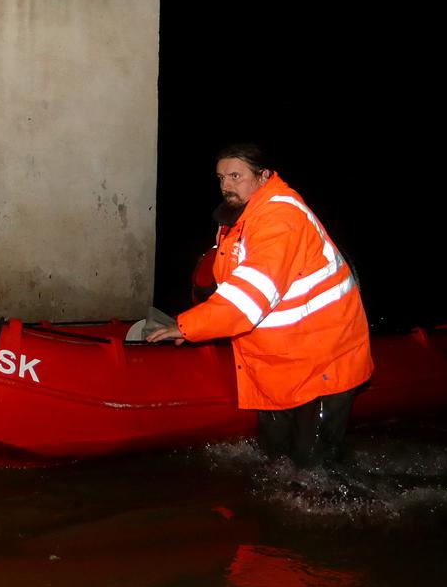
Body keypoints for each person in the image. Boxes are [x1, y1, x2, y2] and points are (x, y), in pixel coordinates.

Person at [147, 144, 372, 467]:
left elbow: (251, 295)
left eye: (236, 176)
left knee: (313, 473)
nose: (226, 185)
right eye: (221, 177)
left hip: (323, 361)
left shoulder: (281, 218)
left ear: (263, 176)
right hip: (279, 363)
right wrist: (200, 320)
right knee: (276, 464)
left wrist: (188, 326)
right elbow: (228, 282)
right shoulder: (239, 218)